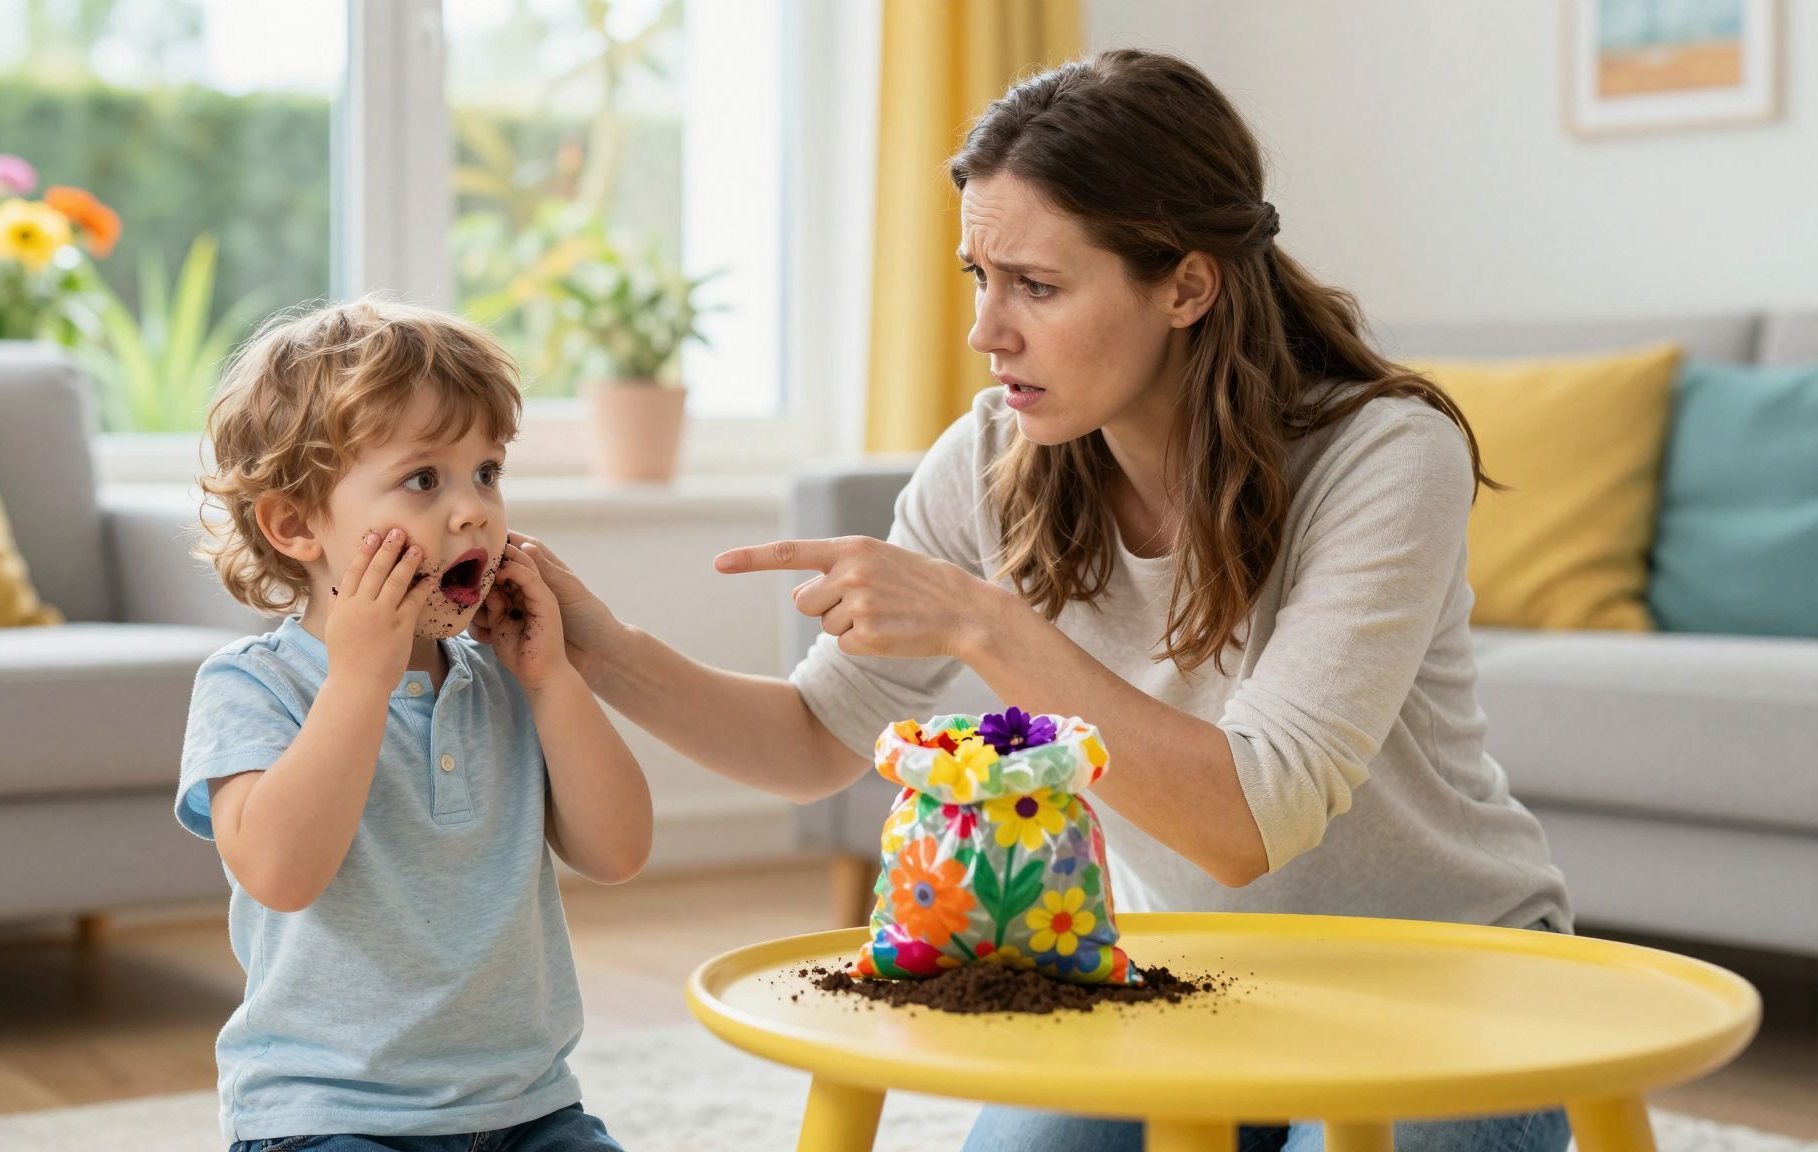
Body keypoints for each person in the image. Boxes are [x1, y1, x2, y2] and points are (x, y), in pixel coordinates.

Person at [474, 49, 1572, 1152]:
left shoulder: (1383, 453)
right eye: (976, 277)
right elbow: (814, 742)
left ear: (1186, 285)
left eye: (1036, 287)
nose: (984, 331)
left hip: (1446, 983)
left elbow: (1249, 825)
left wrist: (976, 620)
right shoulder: (995, 457)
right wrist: (596, 652)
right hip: (1189, 979)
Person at [175, 298, 651, 1150]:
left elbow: (618, 851)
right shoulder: (254, 687)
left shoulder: (508, 679)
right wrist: (360, 679)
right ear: (296, 525)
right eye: (424, 479)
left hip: (528, 1110)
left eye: (488, 473)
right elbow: (281, 872)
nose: (472, 511)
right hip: (327, 1117)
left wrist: (553, 680)